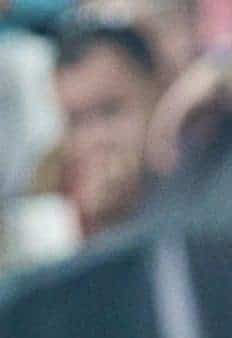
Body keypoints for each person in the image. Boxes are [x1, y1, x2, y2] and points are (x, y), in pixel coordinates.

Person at [53, 17, 161, 239]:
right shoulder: (65, 200)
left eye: (111, 110)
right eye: (76, 121)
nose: (95, 139)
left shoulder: (211, 173)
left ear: (157, 90)